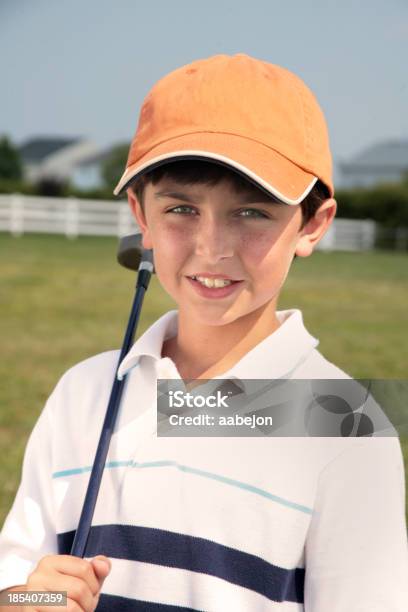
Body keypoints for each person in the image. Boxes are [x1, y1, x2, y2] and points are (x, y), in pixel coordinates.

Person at [0, 53, 407, 611]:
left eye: (252, 213)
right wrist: (34, 600)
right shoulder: (84, 392)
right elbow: (22, 584)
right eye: (182, 208)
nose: (211, 248)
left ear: (313, 225)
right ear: (141, 216)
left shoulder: (349, 425)